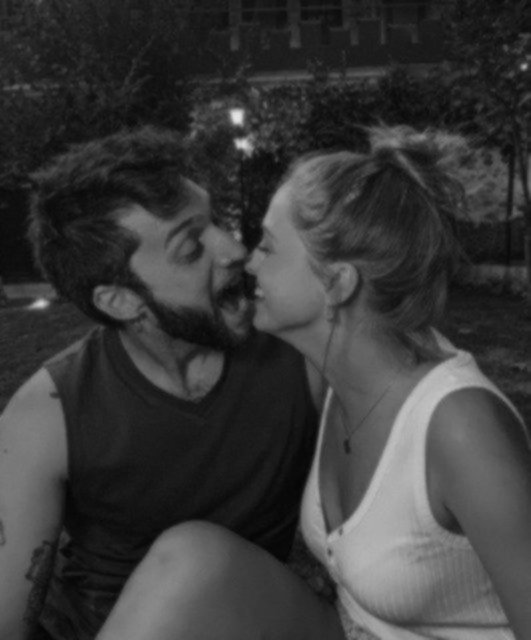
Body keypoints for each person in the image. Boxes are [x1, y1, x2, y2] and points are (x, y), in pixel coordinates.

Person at [92, 125, 531, 640]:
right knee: (189, 555)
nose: (247, 258)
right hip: (350, 628)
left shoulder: (461, 428)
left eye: (268, 246)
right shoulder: (336, 379)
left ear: (337, 283)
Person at [0, 126, 323, 640]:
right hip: (90, 627)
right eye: (191, 247)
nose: (234, 249)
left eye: (216, 222)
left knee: (192, 554)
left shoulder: (303, 360)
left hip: (243, 618)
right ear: (122, 301)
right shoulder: (47, 414)